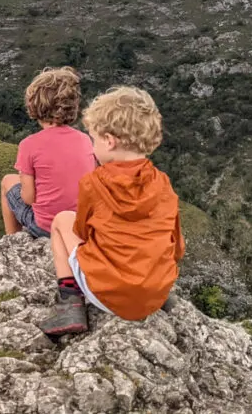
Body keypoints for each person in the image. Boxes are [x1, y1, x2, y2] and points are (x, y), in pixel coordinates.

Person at [38, 86, 185, 336]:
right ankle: (158, 292)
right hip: (153, 295)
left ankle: (70, 302)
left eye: (94, 140)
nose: (93, 146)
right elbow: (177, 246)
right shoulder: (162, 183)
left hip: (108, 295)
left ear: (109, 140)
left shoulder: (94, 183)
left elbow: (82, 232)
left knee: (62, 221)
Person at [0, 67, 96, 238]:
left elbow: (29, 198)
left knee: (8, 181)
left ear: (34, 105)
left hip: (46, 228)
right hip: (81, 226)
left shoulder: (29, 145)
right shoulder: (85, 140)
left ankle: (12, 240)